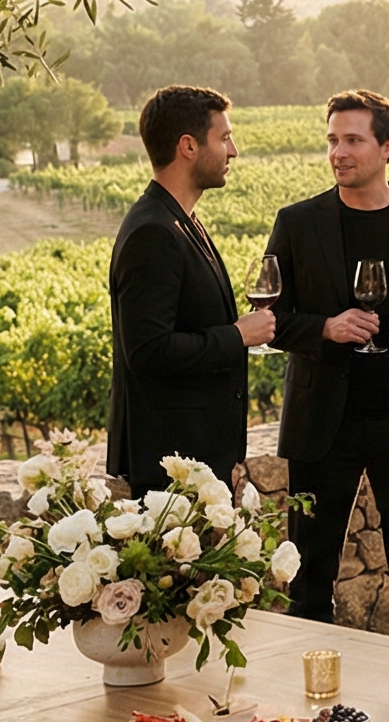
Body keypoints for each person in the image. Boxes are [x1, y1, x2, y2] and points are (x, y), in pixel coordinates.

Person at [266, 91, 389, 646]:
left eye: (353, 140)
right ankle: (307, 711)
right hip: (321, 426)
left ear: (388, 147)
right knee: (308, 580)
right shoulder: (297, 223)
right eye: (332, 140)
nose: (339, 152)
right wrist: (324, 329)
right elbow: (270, 318)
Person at [107, 85, 270, 491]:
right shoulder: (153, 231)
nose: (233, 151)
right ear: (188, 146)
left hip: (195, 459)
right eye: (225, 138)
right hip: (172, 469)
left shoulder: (180, 220)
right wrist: (237, 336)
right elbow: (147, 351)